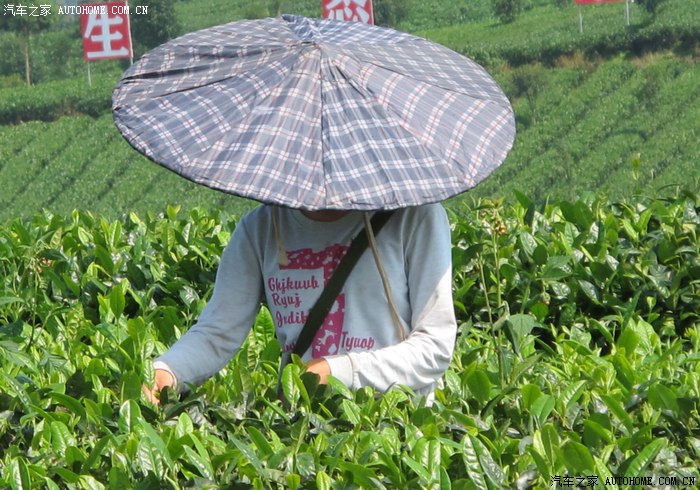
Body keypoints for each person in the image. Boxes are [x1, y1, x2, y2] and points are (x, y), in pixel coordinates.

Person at [143, 203, 457, 403]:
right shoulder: (261, 227)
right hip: (302, 427)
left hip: (395, 427)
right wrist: (168, 372)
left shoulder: (415, 217)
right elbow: (216, 333)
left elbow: (435, 347)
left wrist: (336, 371)